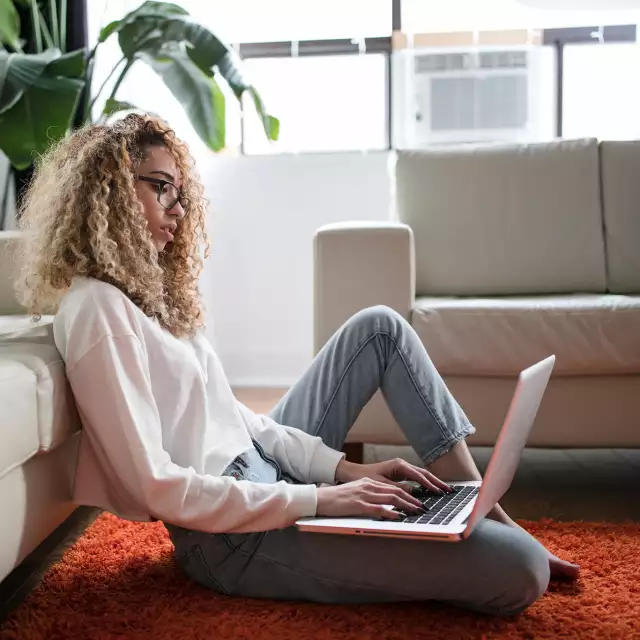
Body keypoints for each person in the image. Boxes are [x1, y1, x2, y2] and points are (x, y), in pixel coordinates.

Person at [14, 114, 579, 617]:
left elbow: (237, 419)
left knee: (378, 327)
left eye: (180, 192)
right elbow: (156, 485)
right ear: (108, 191)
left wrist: (342, 472)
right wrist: (319, 499)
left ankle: (478, 504)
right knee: (522, 570)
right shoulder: (97, 308)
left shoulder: (148, 292)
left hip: (264, 474)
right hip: (230, 538)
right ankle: (487, 530)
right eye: (160, 188)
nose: (178, 209)